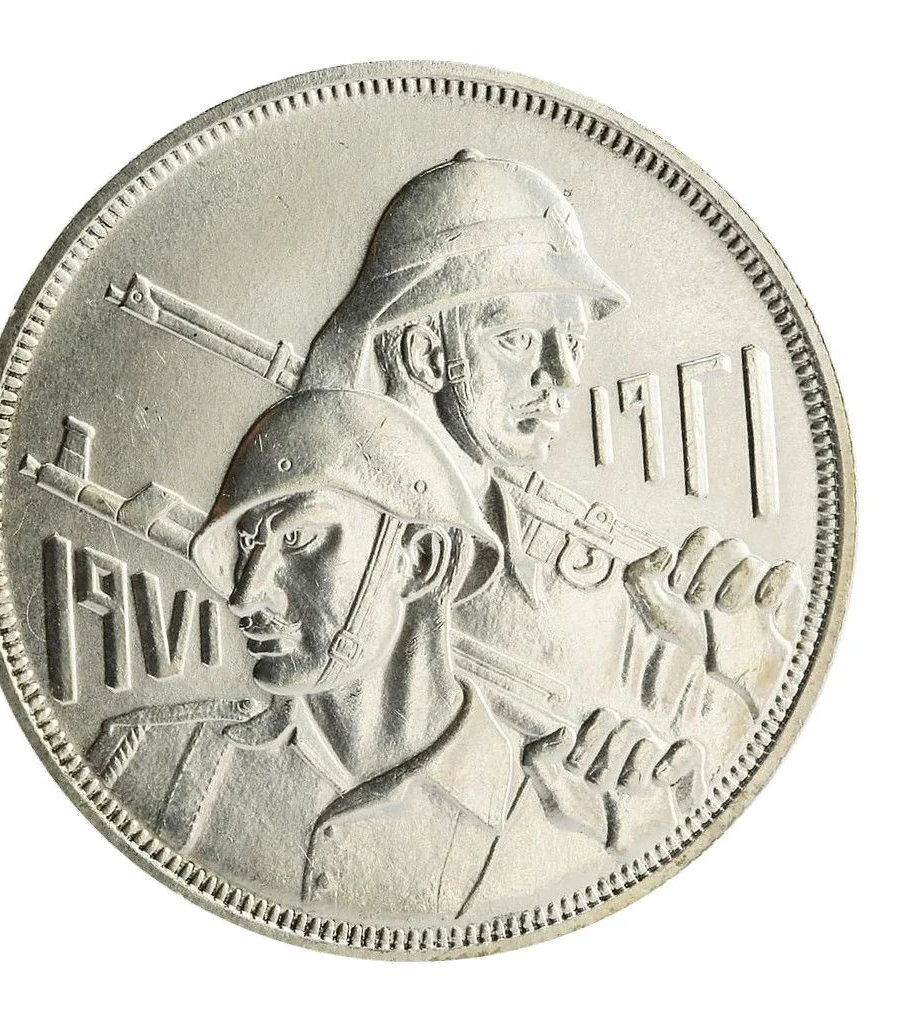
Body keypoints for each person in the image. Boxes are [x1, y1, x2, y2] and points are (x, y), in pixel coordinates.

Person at [300, 150, 806, 848]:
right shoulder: (292, 569)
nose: (563, 374)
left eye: (571, 339)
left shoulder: (618, 600)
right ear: (425, 354)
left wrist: (748, 668)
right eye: (517, 339)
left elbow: (709, 786)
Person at [88, 388, 593, 919]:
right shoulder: (146, 757)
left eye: (297, 540)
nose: (244, 595)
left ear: (422, 561)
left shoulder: (553, 815)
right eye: (247, 546)